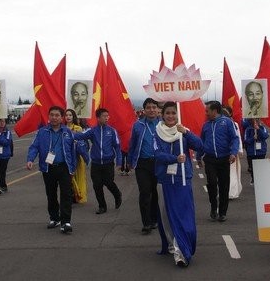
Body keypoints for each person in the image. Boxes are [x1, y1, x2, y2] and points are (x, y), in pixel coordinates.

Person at [154, 101, 203, 267]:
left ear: (178, 114)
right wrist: (174, 159)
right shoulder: (157, 132)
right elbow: (157, 154)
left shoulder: (183, 131)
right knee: (166, 216)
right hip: (165, 180)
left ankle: (182, 251)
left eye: (173, 113)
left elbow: (200, 146)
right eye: (167, 113)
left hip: (183, 180)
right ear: (163, 115)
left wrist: (187, 133)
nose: (170, 116)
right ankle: (170, 244)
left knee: (182, 215)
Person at [26, 106, 76, 234]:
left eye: (57, 115)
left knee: (66, 194)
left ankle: (66, 222)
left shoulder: (67, 132)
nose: (54, 117)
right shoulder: (42, 132)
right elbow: (34, 147)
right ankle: (54, 218)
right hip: (48, 168)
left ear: (62, 117)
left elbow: (72, 151)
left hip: (64, 167)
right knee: (51, 194)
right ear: (48, 117)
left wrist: (73, 167)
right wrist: (30, 159)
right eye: (52, 115)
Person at [197, 101, 239, 222]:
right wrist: (199, 157)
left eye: (207, 111)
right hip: (210, 159)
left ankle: (222, 212)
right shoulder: (205, 125)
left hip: (224, 159)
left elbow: (234, 139)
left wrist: (233, 153)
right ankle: (213, 207)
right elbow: (201, 142)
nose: (206, 113)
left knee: (224, 186)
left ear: (214, 111)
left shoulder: (227, 122)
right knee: (211, 183)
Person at [74, 108, 122, 214]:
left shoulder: (111, 131)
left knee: (108, 182)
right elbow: (80, 136)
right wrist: (67, 133)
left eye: (107, 116)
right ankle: (102, 206)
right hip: (96, 164)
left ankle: (117, 194)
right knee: (97, 185)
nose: (107, 118)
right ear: (98, 118)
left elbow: (117, 147)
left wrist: (119, 161)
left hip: (108, 163)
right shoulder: (92, 131)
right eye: (104, 116)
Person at [127, 97, 161, 234]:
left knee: (156, 193)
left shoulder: (163, 124)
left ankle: (154, 219)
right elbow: (132, 144)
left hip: (159, 163)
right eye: (148, 107)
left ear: (158, 110)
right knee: (145, 192)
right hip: (142, 163)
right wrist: (129, 160)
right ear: (144, 110)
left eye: (154, 107)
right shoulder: (138, 125)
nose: (151, 110)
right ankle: (146, 223)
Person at [65, 109, 89, 203]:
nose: (68, 117)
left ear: (73, 116)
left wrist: (76, 142)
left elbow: (82, 142)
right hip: (67, 157)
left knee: (78, 176)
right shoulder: (62, 128)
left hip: (77, 156)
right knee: (68, 178)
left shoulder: (78, 128)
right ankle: (71, 196)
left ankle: (78, 195)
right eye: (66, 115)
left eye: (70, 115)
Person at [222, 105, 243, 199]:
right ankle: (226, 191)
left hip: (231, 152)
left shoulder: (234, 124)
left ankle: (232, 192)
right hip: (223, 152)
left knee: (232, 172)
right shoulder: (218, 124)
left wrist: (239, 150)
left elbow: (237, 138)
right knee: (224, 173)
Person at [243, 118, 268, 185]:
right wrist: (253, 138)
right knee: (252, 168)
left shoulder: (262, 128)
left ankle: (259, 180)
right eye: (254, 120)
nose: (256, 121)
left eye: (257, 119)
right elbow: (246, 140)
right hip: (251, 152)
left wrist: (258, 129)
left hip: (261, 152)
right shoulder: (248, 129)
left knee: (260, 167)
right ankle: (253, 178)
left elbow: (265, 136)